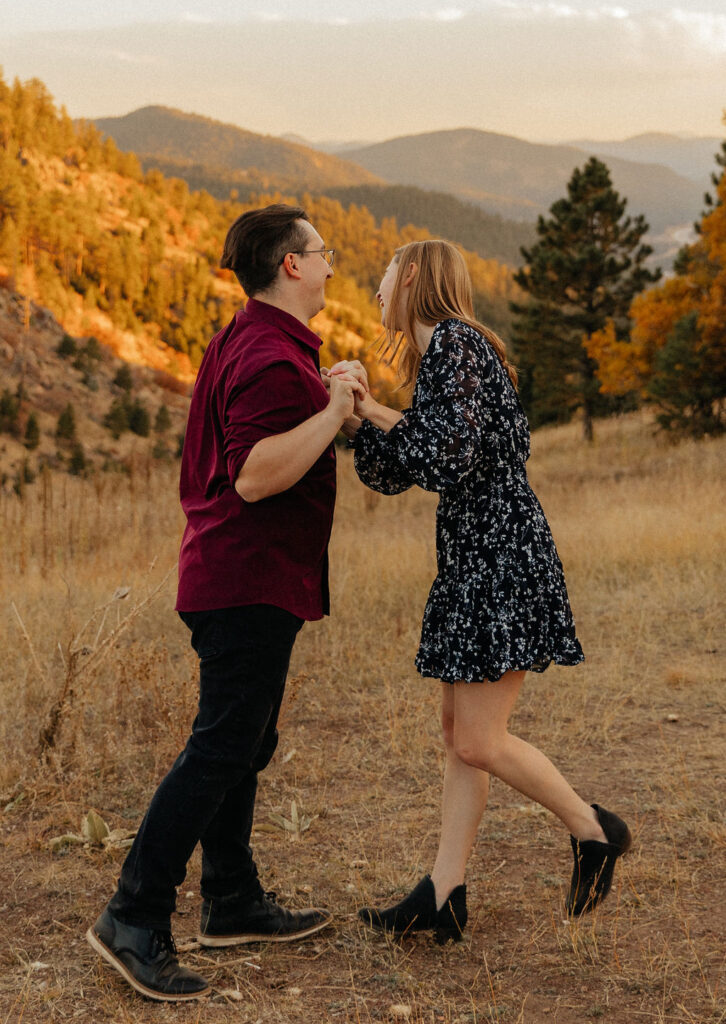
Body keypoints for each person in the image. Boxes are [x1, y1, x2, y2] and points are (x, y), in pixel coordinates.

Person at [86, 204, 366, 1001]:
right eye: (323, 252)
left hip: (241, 579)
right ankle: (133, 915)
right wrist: (335, 410)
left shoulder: (255, 340)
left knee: (245, 743)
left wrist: (328, 393)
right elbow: (255, 474)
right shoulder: (272, 358)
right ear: (291, 266)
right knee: (219, 751)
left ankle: (232, 898)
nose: (332, 264)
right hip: (244, 580)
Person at [335, 239, 631, 943]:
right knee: (457, 736)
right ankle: (444, 892)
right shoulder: (440, 355)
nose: (376, 292)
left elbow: (445, 455)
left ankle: (594, 829)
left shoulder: (458, 346)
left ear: (410, 276)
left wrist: (371, 412)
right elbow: (396, 471)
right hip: (473, 559)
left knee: (478, 738)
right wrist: (358, 416)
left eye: (381, 278)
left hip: (499, 558)